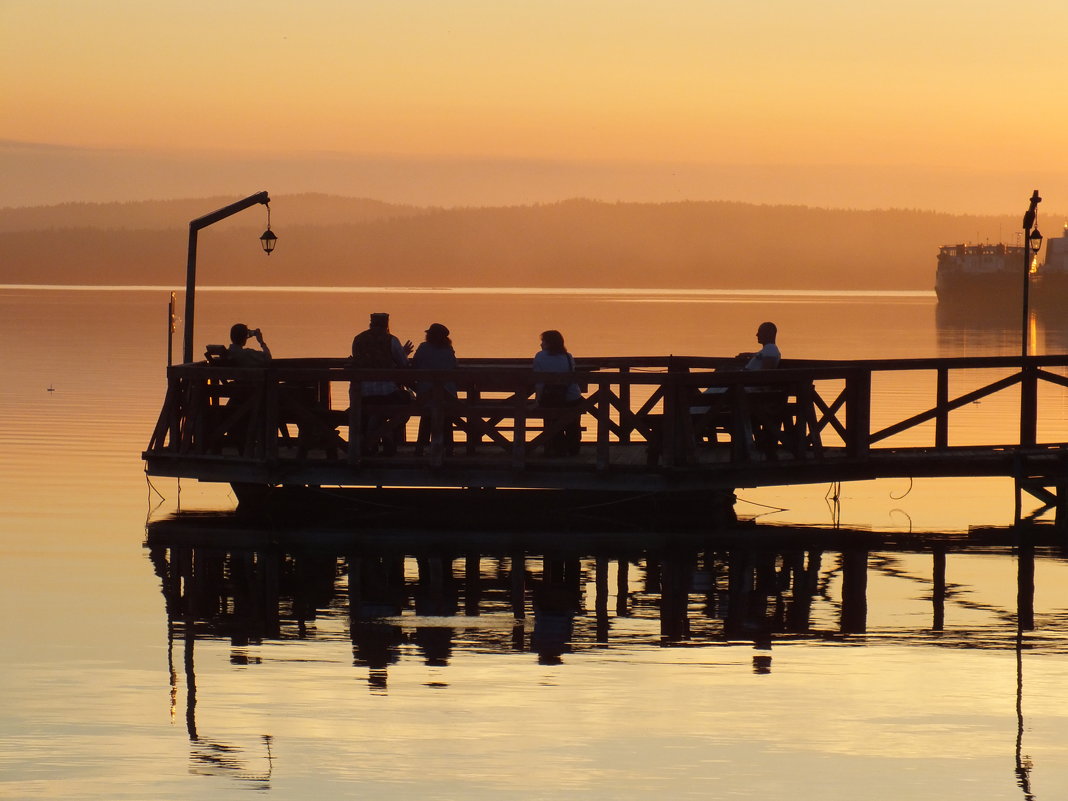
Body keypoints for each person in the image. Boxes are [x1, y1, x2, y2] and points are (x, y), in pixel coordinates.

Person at [350, 312, 413, 455]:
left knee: (374, 412)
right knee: (409, 403)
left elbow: (358, 361)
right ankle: (387, 434)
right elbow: (403, 365)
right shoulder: (391, 340)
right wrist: (403, 354)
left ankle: (372, 439)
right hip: (387, 393)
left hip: (362, 394)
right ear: (387, 324)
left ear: (371, 323)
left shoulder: (358, 340)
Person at [533, 329, 582, 456]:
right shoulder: (568, 356)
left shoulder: (540, 356)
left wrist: (537, 400)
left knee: (553, 422)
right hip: (572, 397)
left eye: (543, 341)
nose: (541, 344)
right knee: (573, 422)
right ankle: (574, 448)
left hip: (552, 399)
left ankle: (559, 448)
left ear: (549, 343)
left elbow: (540, 382)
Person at [411, 323, 458, 455]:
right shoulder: (448, 349)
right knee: (447, 417)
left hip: (426, 396)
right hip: (448, 396)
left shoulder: (423, 348)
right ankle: (448, 448)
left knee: (426, 416)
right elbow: (454, 366)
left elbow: (415, 366)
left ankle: (420, 447)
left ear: (429, 336)